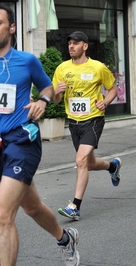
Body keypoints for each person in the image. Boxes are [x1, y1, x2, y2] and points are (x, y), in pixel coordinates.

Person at [0, 5, 79, 266]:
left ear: (12, 28)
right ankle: (65, 238)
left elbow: (48, 88)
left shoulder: (26, 61)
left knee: (3, 216)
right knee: (31, 207)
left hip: (20, 140)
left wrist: (43, 101)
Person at [53, 31, 122, 221]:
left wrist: (105, 102)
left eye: (75, 43)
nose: (71, 47)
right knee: (89, 163)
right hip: (73, 122)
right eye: (69, 44)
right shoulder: (61, 69)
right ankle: (112, 166)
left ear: (85, 46)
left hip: (93, 119)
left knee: (81, 160)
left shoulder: (98, 67)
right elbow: (57, 100)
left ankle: (75, 206)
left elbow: (113, 89)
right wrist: (57, 93)